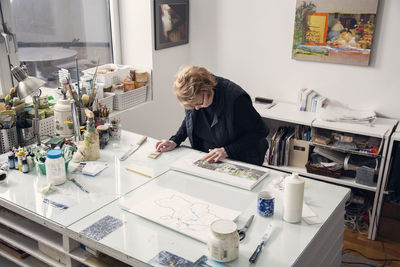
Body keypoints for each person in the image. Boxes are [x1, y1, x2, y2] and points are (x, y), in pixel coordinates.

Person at [156, 66, 269, 166]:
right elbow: (190, 120)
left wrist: (227, 150)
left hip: (241, 157)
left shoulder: (236, 99)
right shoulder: (196, 100)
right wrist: (175, 140)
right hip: (210, 157)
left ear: (207, 89)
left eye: (199, 103)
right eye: (192, 106)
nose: (196, 108)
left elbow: (261, 131)